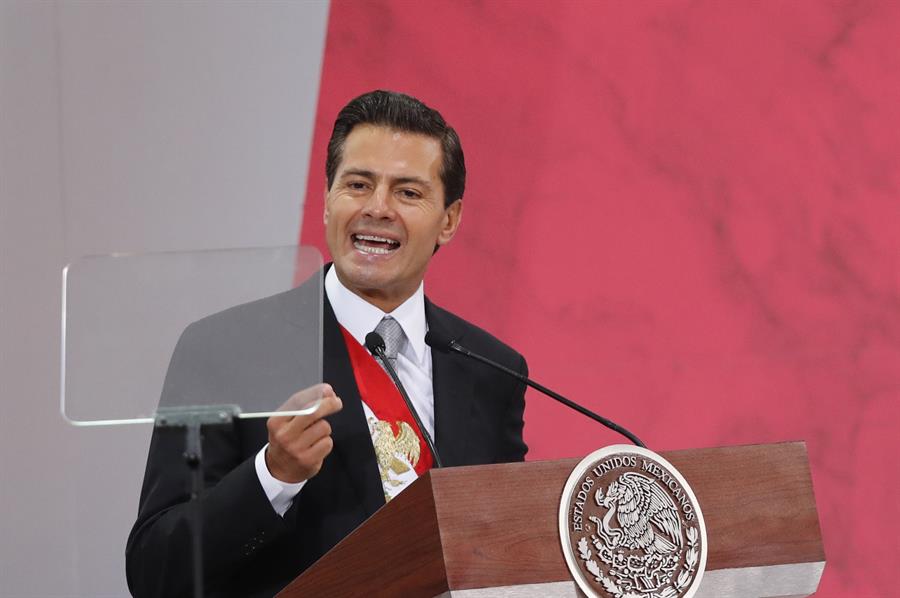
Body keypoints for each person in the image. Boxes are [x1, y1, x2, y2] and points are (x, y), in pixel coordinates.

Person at [126, 90, 528, 597]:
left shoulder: (491, 369)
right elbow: (155, 571)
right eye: (358, 185)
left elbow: (506, 555)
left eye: (408, 192)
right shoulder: (226, 348)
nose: (377, 209)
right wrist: (273, 476)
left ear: (448, 220)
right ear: (327, 199)